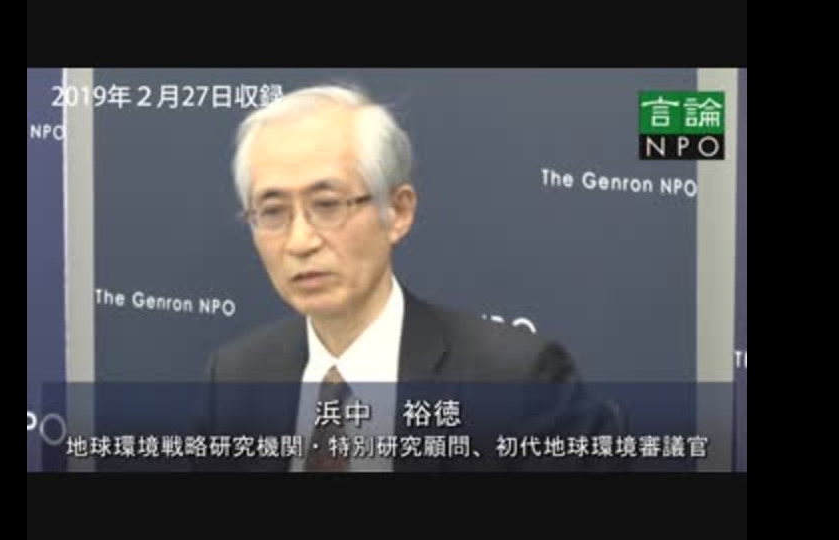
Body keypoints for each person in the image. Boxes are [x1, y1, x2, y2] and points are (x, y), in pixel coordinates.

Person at [200, 84, 623, 473]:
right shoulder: (237, 378)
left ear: (398, 212)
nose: (300, 241)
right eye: (273, 212)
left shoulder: (516, 382)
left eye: (327, 205)